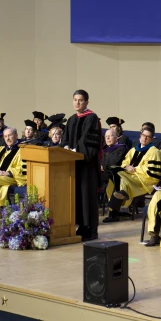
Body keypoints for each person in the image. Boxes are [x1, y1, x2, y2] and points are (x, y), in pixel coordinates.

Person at [62, 89, 103, 239]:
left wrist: (76, 151)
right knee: (77, 196)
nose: (77, 103)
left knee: (87, 196)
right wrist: (65, 147)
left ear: (86, 102)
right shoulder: (71, 119)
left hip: (87, 165)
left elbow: (90, 141)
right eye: (75, 100)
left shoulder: (92, 118)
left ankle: (90, 229)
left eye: (80, 100)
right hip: (73, 164)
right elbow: (65, 139)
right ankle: (80, 226)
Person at [103, 126, 161, 223]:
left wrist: (134, 169)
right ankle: (117, 209)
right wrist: (127, 167)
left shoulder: (155, 152)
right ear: (140, 135)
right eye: (143, 135)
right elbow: (125, 162)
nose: (145, 138)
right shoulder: (134, 150)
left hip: (144, 180)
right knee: (114, 178)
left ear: (151, 139)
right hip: (129, 176)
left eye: (148, 136)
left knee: (121, 179)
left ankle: (115, 213)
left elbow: (152, 172)